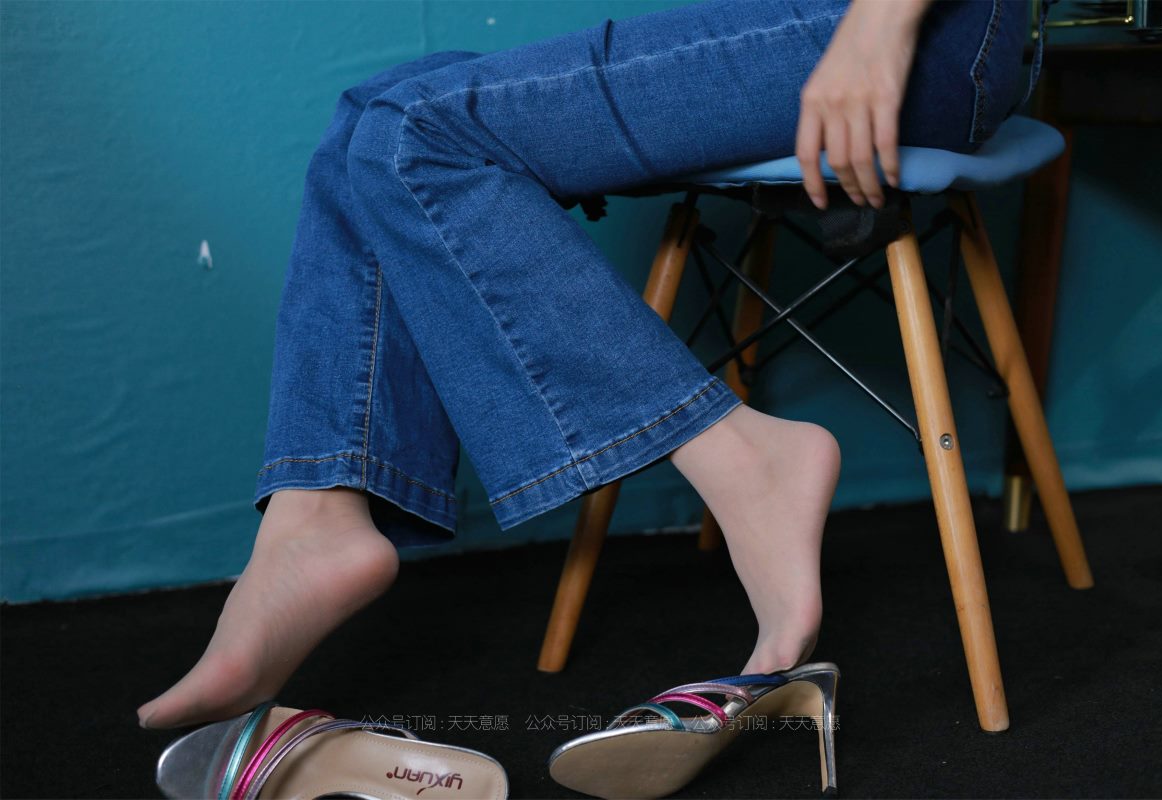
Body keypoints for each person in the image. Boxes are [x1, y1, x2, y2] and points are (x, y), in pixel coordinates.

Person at [137, 0, 1040, 732]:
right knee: (371, 116)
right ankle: (318, 510)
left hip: (910, 30)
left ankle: (741, 458)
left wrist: (880, 26)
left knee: (413, 133)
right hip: (801, 19)